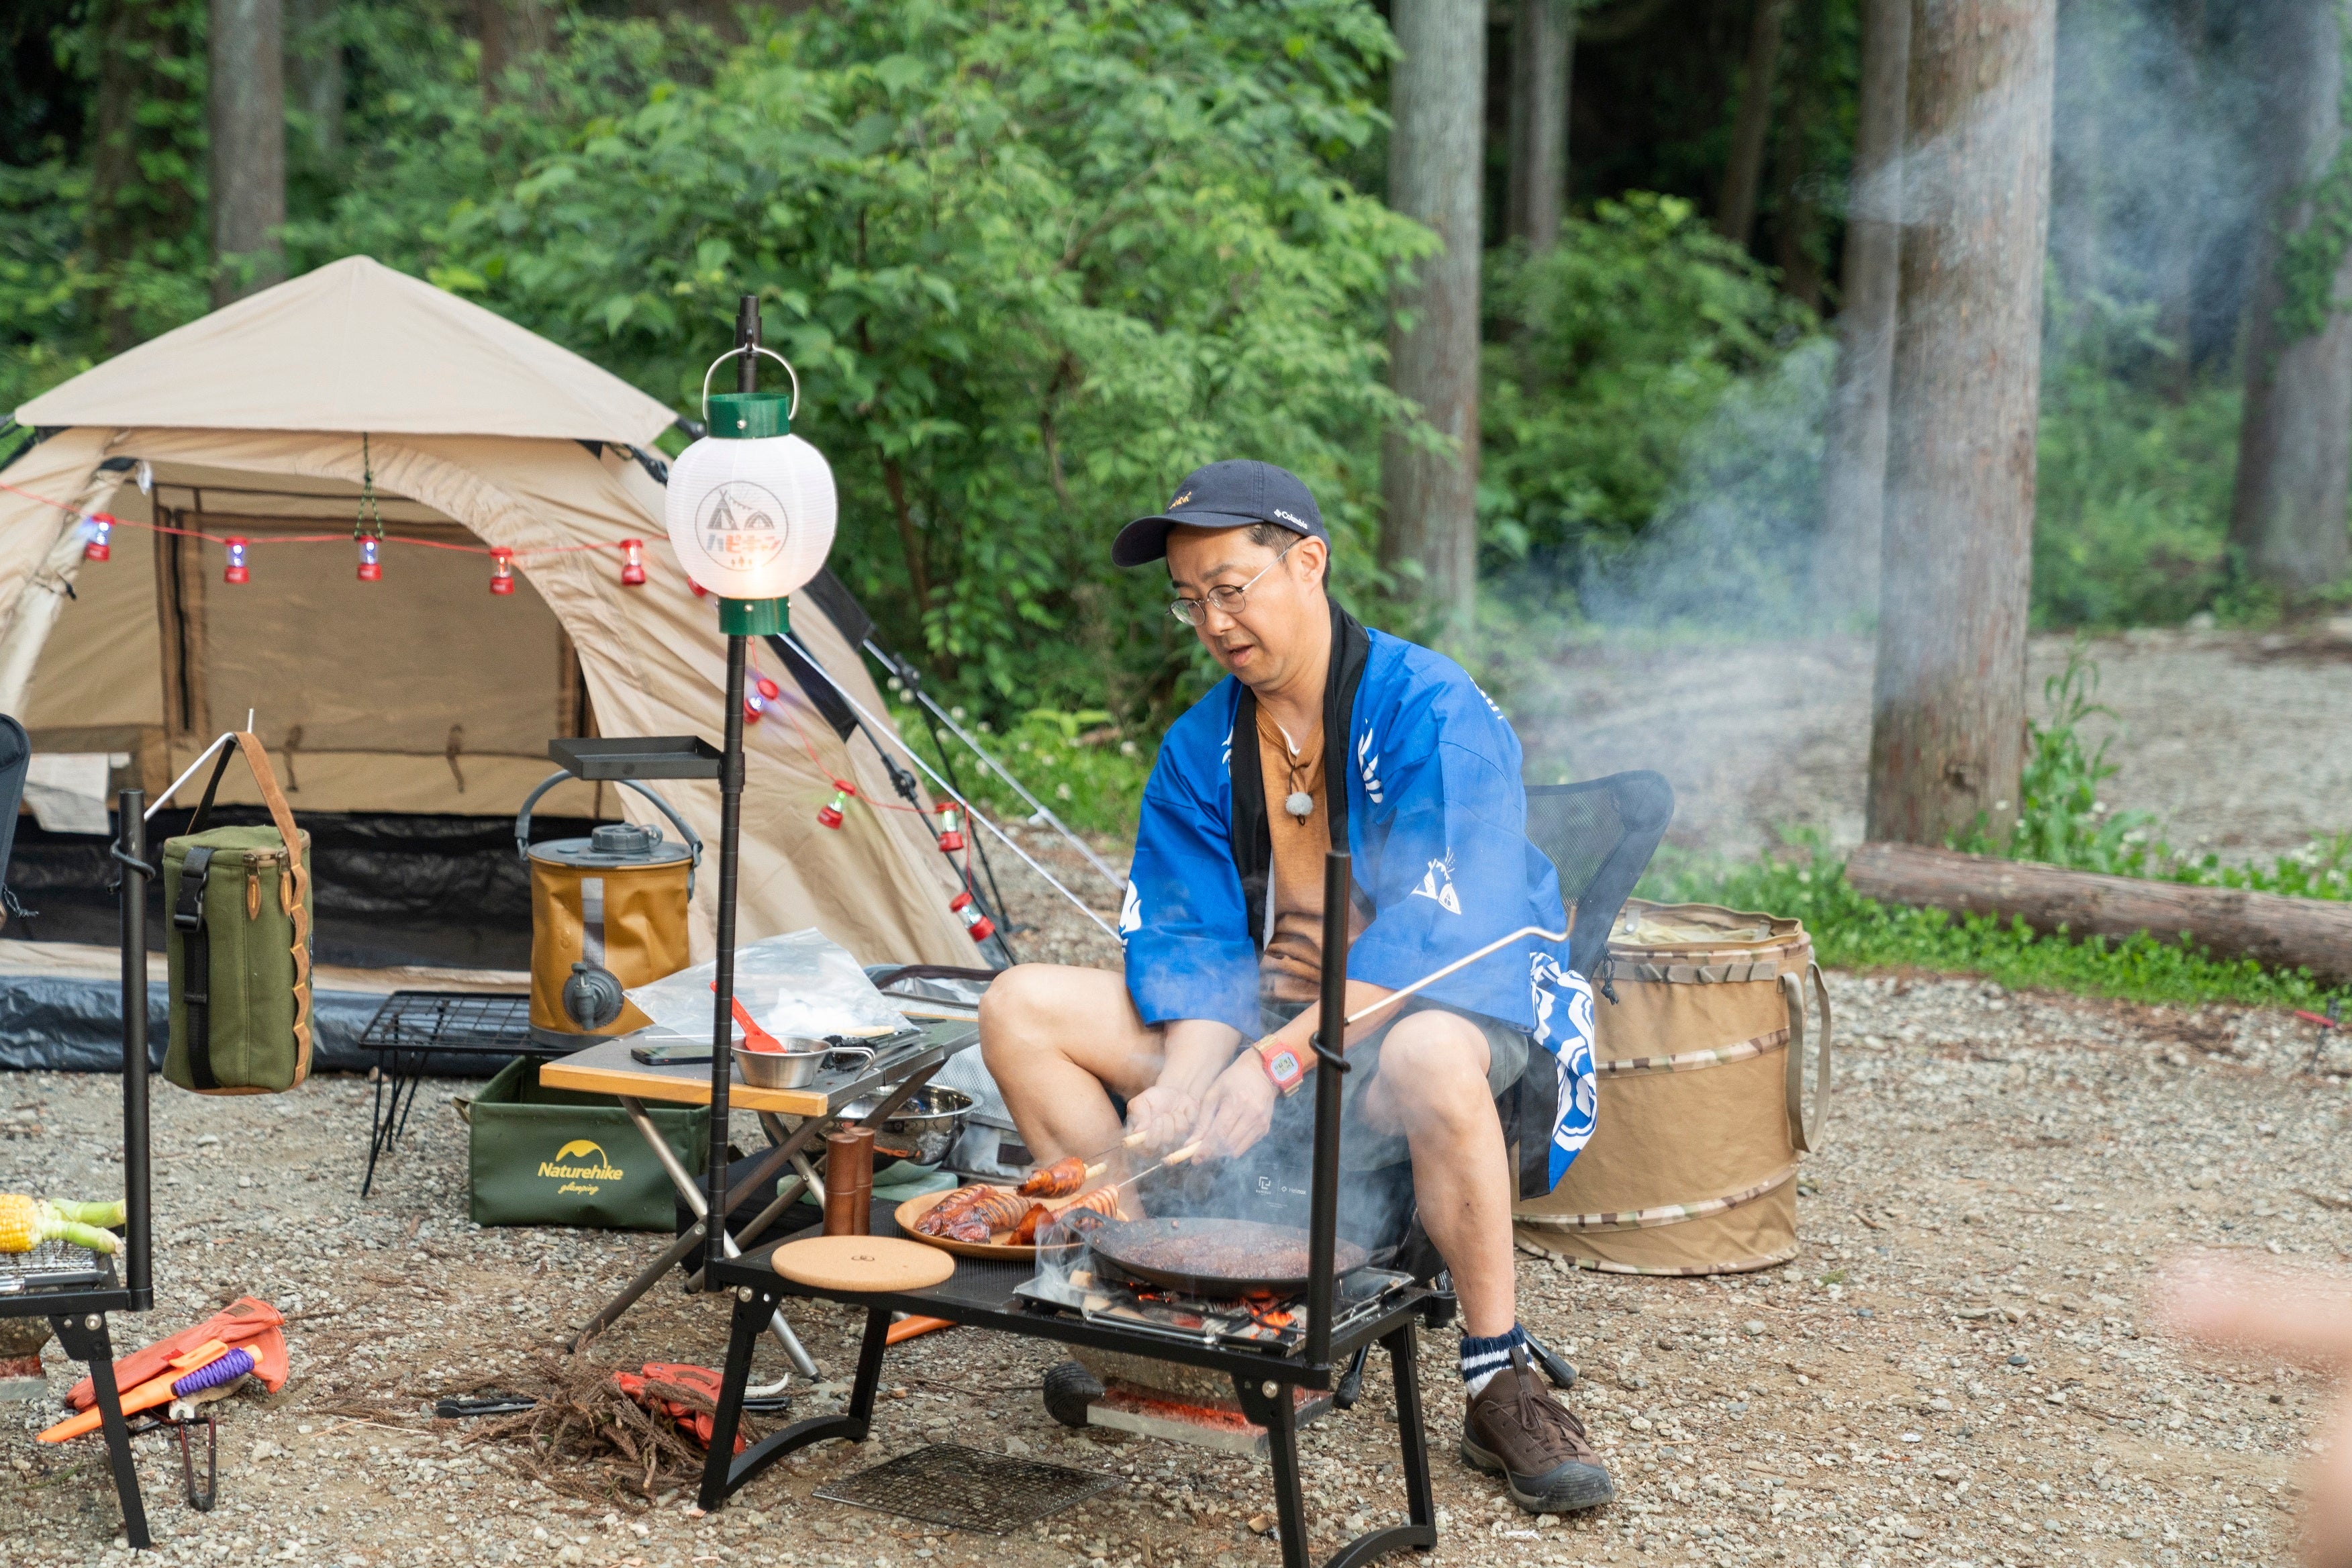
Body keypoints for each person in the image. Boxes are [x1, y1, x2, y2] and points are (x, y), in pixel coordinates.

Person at [979, 459, 1611, 1514]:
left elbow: (1447, 928)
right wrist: (1189, 1077)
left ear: (1307, 563)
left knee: (1428, 1052)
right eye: (1190, 602)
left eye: (1232, 587)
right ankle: (1143, 1305)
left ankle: (1498, 1378)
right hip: (1272, 1032)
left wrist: (1275, 1061)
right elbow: (1190, 940)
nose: (1213, 622)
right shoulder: (1201, 745)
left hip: (1424, 1016)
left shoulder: (1427, 707)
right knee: (1020, 1007)